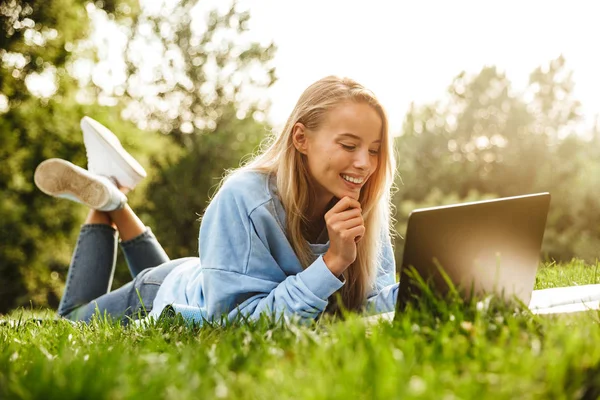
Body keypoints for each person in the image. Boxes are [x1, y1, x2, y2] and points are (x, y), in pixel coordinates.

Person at [33, 76, 399, 326]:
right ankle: (108, 197)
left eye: (375, 150)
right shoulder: (245, 197)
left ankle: (113, 194)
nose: (365, 163)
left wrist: (434, 288)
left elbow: (370, 306)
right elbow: (240, 323)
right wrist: (333, 262)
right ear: (301, 138)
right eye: (349, 146)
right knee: (71, 321)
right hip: (168, 290)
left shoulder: (364, 207)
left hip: (209, 274)